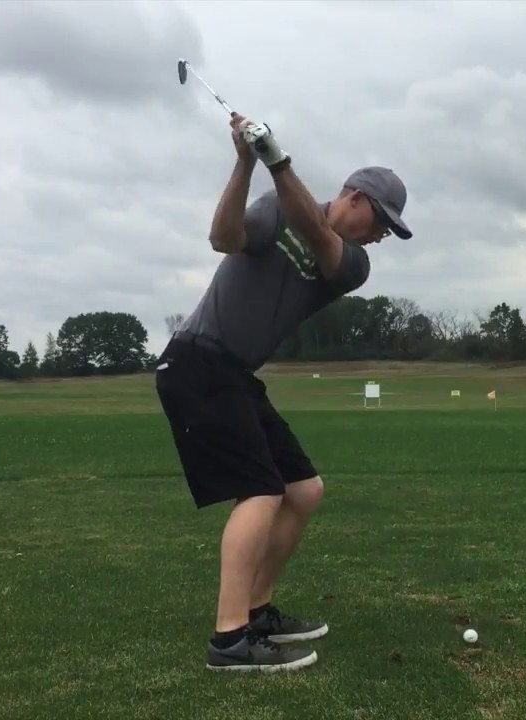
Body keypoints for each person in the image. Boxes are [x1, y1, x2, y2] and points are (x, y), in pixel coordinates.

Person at [153, 113, 412, 672]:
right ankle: (230, 640)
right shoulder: (275, 206)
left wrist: (277, 160)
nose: (381, 237)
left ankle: (257, 609)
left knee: (303, 490)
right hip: (197, 363)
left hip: (233, 374)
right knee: (260, 491)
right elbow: (223, 239)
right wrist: (246, 165)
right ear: (357, 198)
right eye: (383, 222)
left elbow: (316, 233)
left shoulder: (354, 263)